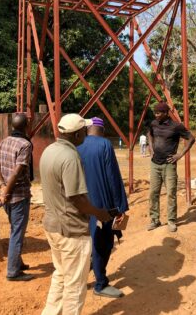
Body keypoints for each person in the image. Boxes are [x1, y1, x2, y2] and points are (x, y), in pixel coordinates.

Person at [40, 113, 111, 315]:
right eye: (84, 131)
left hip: (52, 226)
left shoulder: (49, 150)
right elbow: (77, 199)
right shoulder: (70, 158)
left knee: (60, 275)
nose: (86, 134)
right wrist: (100, 213)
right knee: (75, 285)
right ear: (78, 133)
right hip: (71, 231)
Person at [77, 117, 129, 299]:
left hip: (80, 204)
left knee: (84, 242)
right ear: (102, 129)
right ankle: (100, 283)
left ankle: (79, 280)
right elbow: (112, 177)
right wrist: (120, 206)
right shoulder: (105, 145)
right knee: (103, 242)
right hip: (101, 204)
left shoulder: (76, 145)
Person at [0, 113, 34, 281]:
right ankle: (13, 272)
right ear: (26, 126)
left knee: (14, 229)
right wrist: (7, 191)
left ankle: (18, 262)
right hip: (18, 196)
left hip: (7, 197)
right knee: (17, 232)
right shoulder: (25, 144)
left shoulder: (4, 142)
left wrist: (2, 187)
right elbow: (17, 173)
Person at [147, 101, 195, 232]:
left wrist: (180, 155)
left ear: (166, 113)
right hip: (155, 164)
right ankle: (154, 220)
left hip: (169, 165)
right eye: (155, 113)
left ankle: (171, 220)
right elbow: (149, 134)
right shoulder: (154, 123)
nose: (156, 115)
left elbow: (191, 138)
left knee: (171, 193)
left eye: (158, 113)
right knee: (153, 193)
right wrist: (151, 149)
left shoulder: (176, 126)